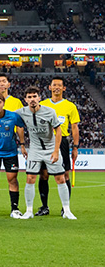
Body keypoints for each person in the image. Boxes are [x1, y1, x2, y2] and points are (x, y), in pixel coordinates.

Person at [16, 86, 75, 219]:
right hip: (35, 150)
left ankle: (67, 211)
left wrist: (55, 151)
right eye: (29, 97)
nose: (32, 99)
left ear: (39, 98)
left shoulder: (49, 111)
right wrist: (22, 145)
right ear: (25, 99)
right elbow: (11, 121)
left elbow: (58, 131)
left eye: (34, 96)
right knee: (30, 178)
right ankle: (29, 211)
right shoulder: (21, 112)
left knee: (60, 178)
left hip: (50, 149)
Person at [38, 76, 80, 216]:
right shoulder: (42, 104)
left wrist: (75, 147)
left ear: (64, 88)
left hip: (62, 142)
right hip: (44, 141)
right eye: (54, 85)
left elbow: (74, 128)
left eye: (59, 85)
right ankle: (44, 207)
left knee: (65, 175)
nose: (56, 87)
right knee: (43, 175)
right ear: (49, 87)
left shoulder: (70, 106)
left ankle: (65, 209)